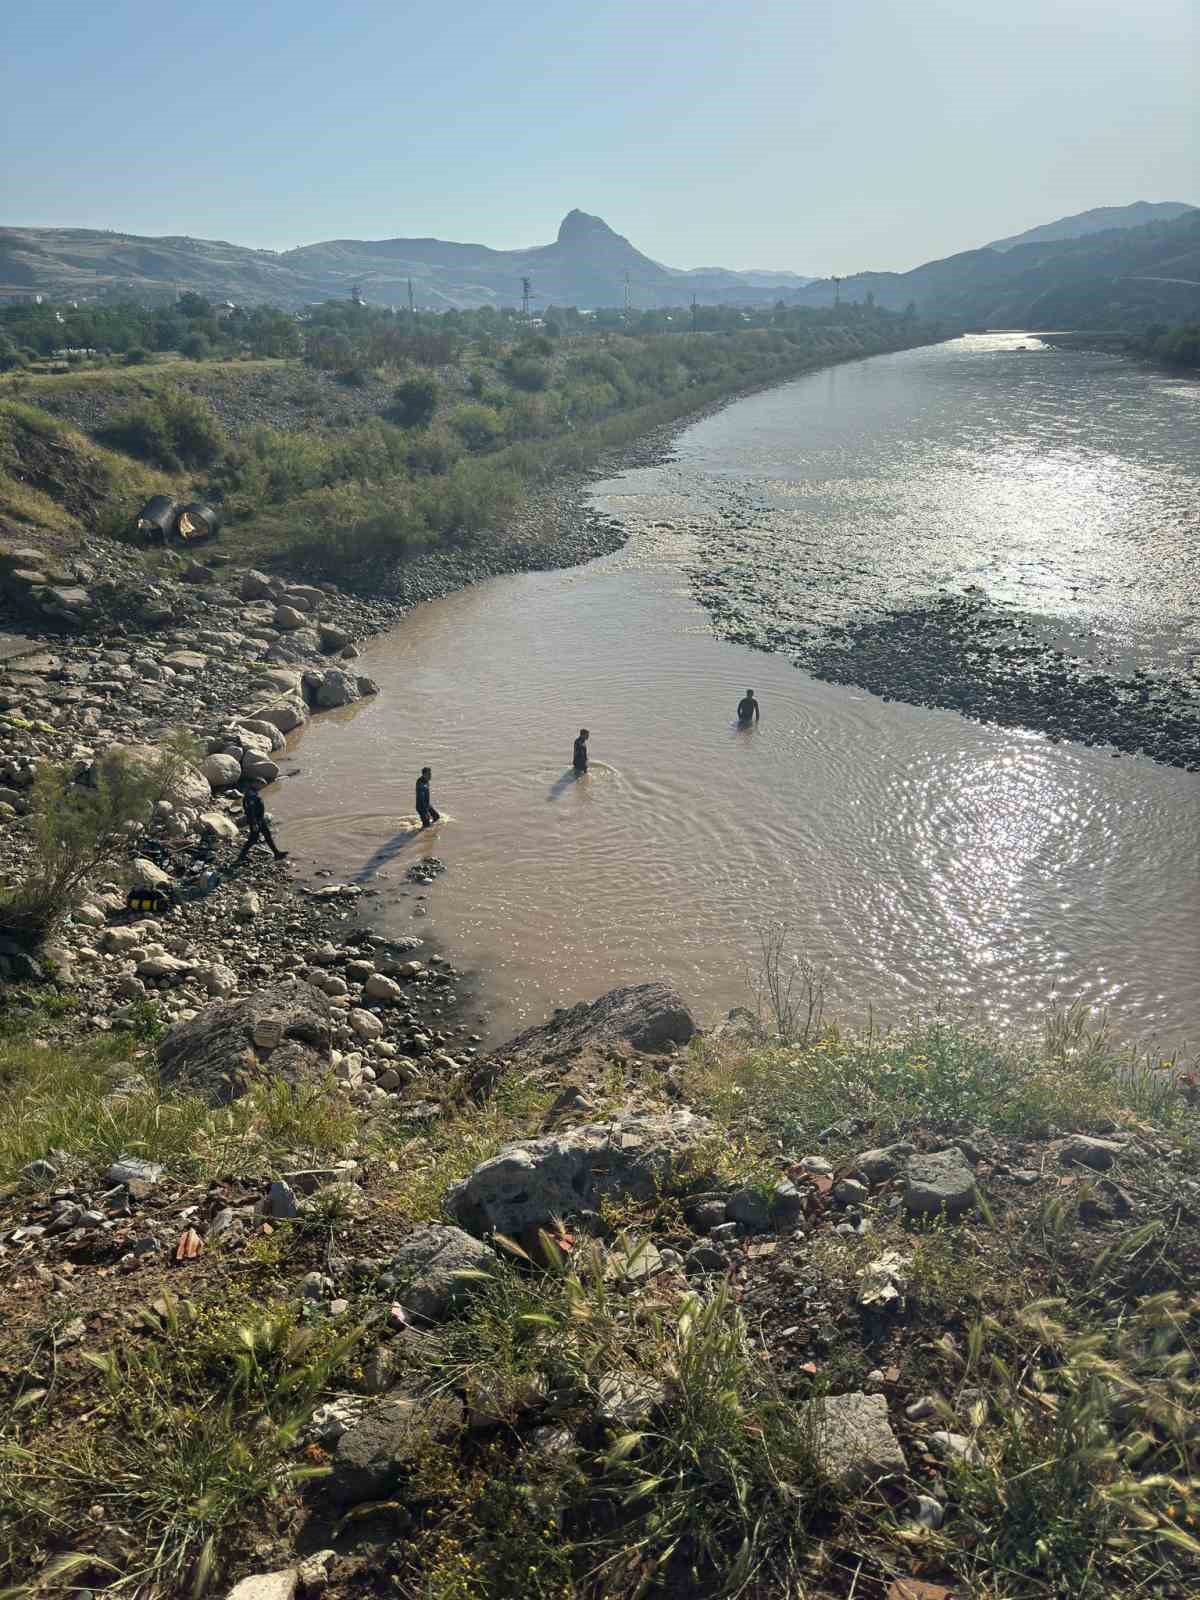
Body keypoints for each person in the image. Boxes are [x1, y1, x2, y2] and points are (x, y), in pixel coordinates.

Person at [239, 778, 287, 860]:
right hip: (256, 820)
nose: (262, 787)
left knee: (267, 835)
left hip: (260, 819)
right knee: (253, 839)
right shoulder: (250, 795)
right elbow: (250, 811)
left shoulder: (253, 792)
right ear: (255, 783)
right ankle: (241, 857)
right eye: (261, 785)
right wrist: (254, 823)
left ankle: (277, 853)